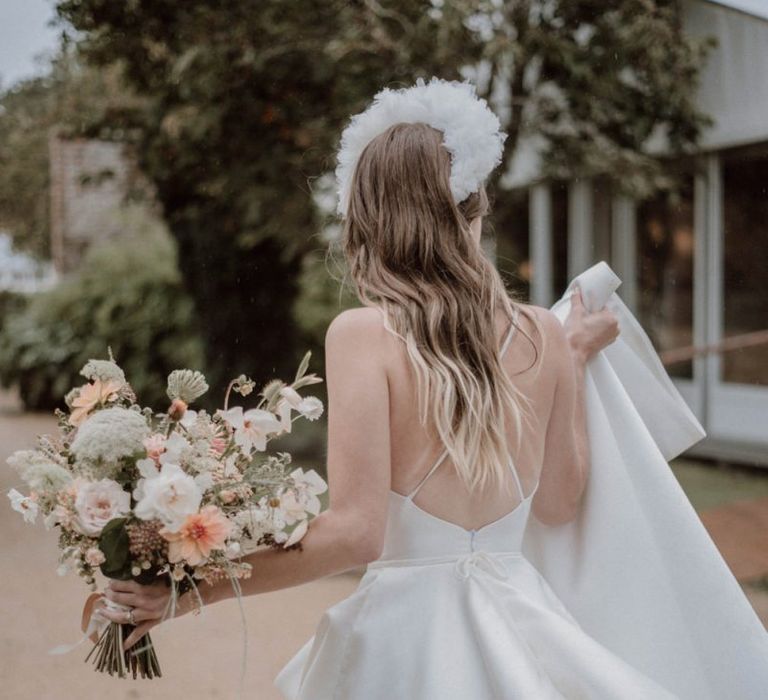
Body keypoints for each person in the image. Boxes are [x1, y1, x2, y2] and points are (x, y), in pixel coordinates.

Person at [96, 78, 705, 699]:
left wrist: (193, 590)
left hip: (405, 647)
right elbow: (557, 506)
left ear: (369, 220)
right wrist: (572, 358)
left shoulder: (363, 334)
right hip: (526, 630)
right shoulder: (546, 334)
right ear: (473, 209)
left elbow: (358, 533)